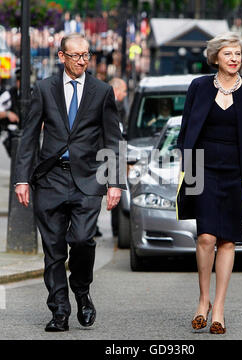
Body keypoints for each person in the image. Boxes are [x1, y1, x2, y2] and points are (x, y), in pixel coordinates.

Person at [14, 33, 126, 332]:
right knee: (53, 250)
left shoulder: (102, 91)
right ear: (61, 56)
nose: (82, 61)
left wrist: (115, 182)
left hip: (87, 179)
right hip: (49, 177)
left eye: (86, 55)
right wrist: (21, 179)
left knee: (81, 240)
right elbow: (27, 137)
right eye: (76, 55)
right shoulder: (44, 89)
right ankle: (60, 311)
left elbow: (113, 140)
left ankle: (81, 289)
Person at [176, 32, 242, 334]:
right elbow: (185, 131)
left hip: (238, 173)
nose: (234, 59)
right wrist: (185, 171)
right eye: (228, 53)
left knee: (228, 239)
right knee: (205, 237)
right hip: (202, 170)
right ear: (216, 57)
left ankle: (219, 308)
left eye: (238, 54)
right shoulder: (199, 87)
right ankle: (202, 300)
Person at [108, 77, 128, 237]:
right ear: (117, 90)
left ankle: (114, 227)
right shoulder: (110, 104)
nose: (126, 94)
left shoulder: (118, 105)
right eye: (124, 91)